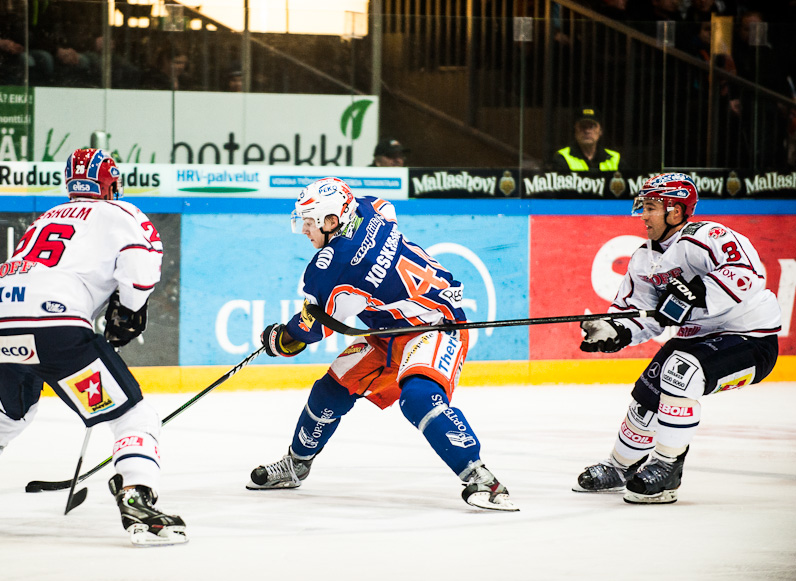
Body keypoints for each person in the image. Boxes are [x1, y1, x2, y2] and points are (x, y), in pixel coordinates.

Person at [0, 148, 187, 546]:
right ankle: (137, 499)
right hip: (53, 326)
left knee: (6, 414)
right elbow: (140, 269)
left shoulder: (47, 216)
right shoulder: (121, 213)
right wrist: (130, 310)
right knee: (134, 415)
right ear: (111, 183)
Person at [246, 177, 518, 511]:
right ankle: (296, 464)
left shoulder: (334, 267)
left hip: (434, 327)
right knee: (331, 389)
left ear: (332, 221)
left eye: (309, 222)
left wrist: (279, 340)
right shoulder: (368, 207)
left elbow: (311, 330)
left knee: (418, 397)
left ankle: (483, 480)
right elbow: (381, 214)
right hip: (389, 333)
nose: (304, 229)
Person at [574, 173, 781, 504]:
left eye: (652, 207)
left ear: (675, 212)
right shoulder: (644, 259)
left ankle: (668, 467)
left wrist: (697, 293)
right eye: (643, 207)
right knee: (647, 398)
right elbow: (640, 314)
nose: (643, 215)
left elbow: (746, 275)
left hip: (750, 337)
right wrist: (615, 330)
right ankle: (621, 466)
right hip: (696, 338)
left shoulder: (708, 236)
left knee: (680, 372)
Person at [550, 107, 623, 172]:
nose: (587, 131)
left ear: (600, 131)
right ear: (575, 130)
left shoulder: (614, 159)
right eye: (583, 126)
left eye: (592, 127)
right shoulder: (562, 157)